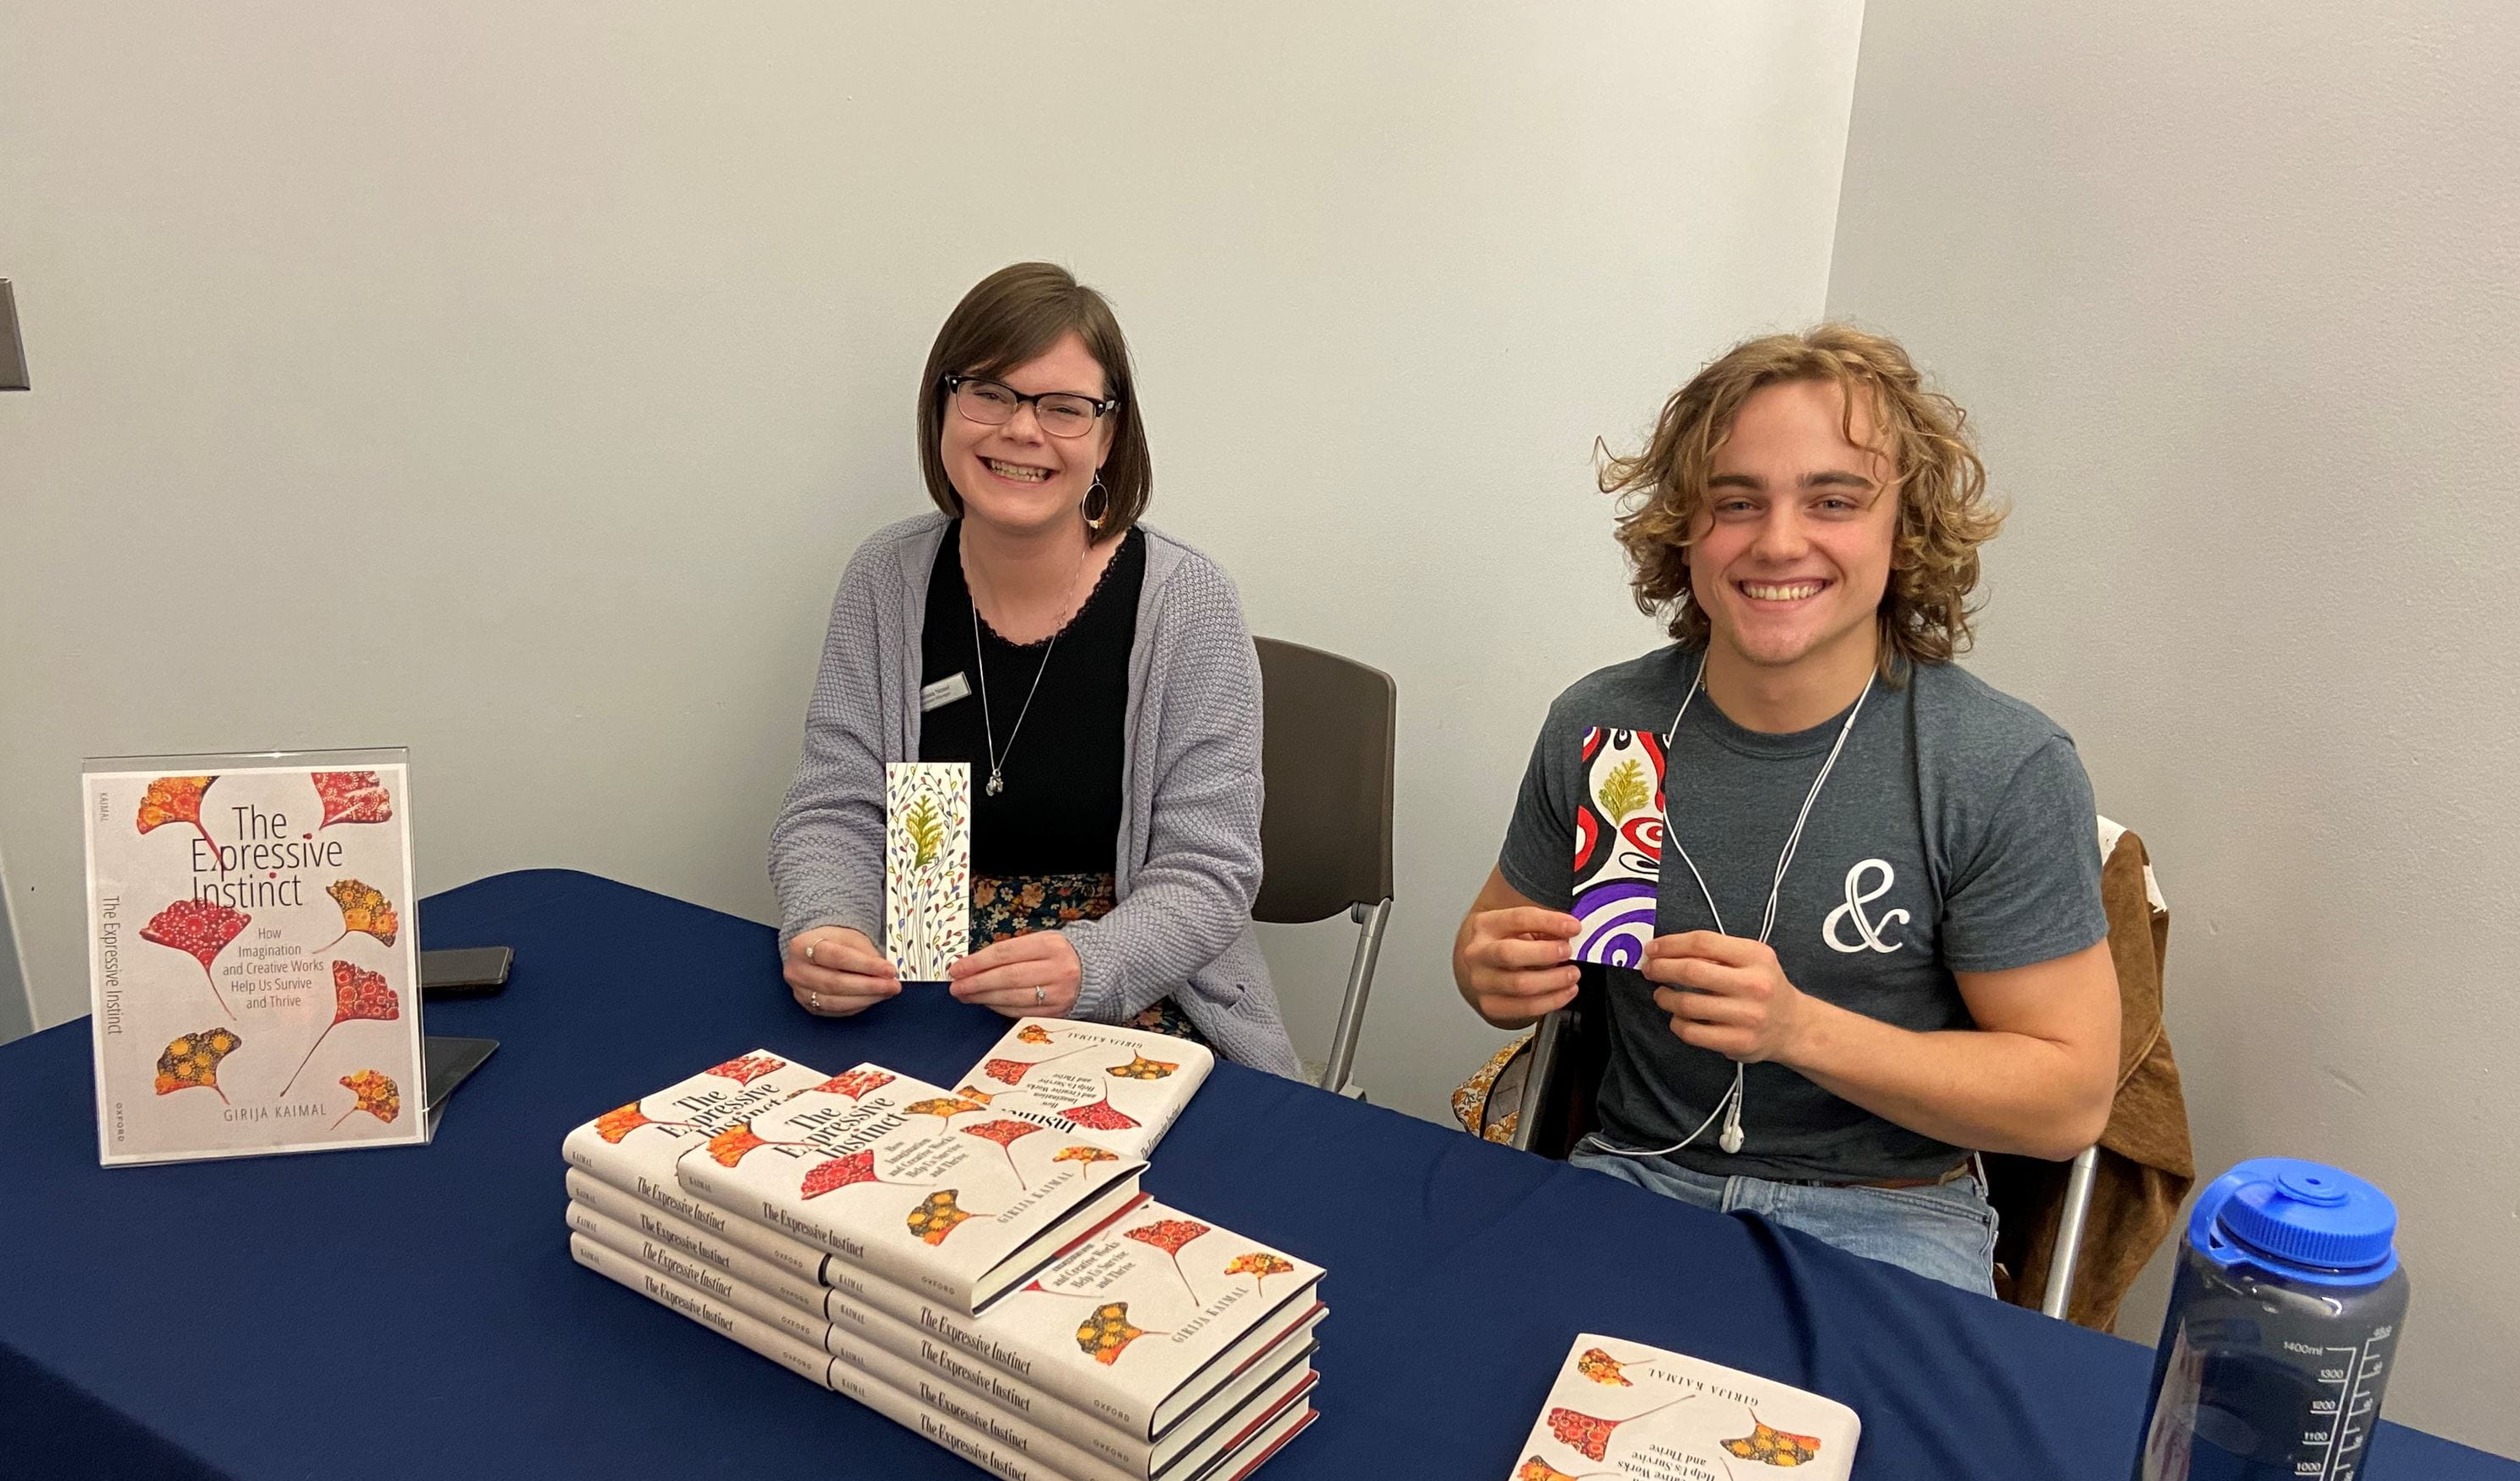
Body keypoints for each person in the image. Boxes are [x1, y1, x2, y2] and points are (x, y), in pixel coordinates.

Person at [1452, 325, 2118, 1293]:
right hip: (1637, 1176)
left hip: (1890, 1213)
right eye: (1735, 502)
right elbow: (1488, 944)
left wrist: (1797, 1030)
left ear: (1905, 527)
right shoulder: (1604, 727)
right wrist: (1488, 969)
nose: (1776, 541)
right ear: (1685, 529)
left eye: (1833, 500)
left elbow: (2067, 1102)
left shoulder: (1995, 766)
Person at [769, 261, 1300, 1076]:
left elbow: (1210, 870)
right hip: (918, 980)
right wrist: (829, 925)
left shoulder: (1189, 602)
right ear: (942, 408)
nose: (1022, 430)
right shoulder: (887, 578)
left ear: (1110, 437)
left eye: (1064, 408)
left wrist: (1094, 965)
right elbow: (835, 809)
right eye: (990, 393)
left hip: (1128, 991)